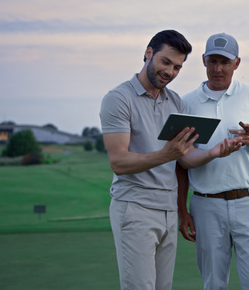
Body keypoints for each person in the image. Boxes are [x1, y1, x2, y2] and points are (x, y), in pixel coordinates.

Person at [99, 30, 241, 290]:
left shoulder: (175, 101)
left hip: (168, 211)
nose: (170, 72)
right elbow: (118, 161)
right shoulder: (118, 99)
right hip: (135, 207)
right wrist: (167, 154)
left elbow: (184, 160)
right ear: (148, 53)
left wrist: (214, 152)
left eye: (177, 67)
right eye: (165, 62)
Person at [177, 32, 249, 290]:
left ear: (237, 63)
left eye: (225, 62)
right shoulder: (186, 103)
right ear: (203, 61)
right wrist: (182, 210)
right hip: (206, 205)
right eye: (212, 61)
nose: (218, 68)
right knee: (213, 285)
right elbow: (179, 162)